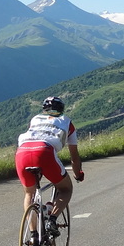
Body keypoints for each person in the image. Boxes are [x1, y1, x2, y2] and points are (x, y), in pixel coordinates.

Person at [15, 96, 85, 237]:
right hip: (44, 152)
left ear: (43, 109)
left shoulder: (35, 119)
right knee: (66, 189)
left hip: (21, 152)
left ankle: (34, 235)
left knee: (29, 193)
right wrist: (78, 174)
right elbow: (74, 156)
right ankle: (52, 220)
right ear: (62, 109)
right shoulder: (67, 122)